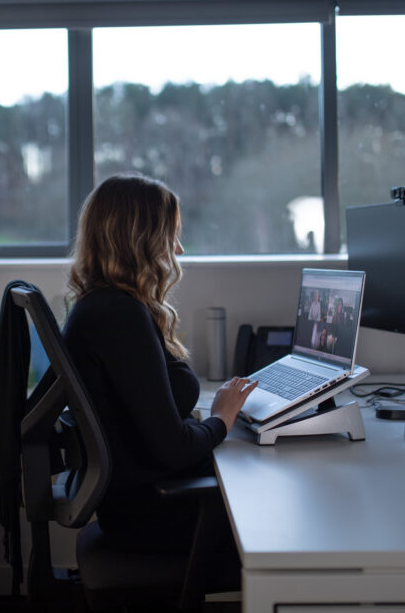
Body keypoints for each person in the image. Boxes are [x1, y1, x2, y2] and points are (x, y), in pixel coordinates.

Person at [63, 173, 258, 554]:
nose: (179, 250)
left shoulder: (103, 306)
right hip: (155, 512)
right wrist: (222, 418)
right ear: (141, 241)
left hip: (144, 497)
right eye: (171, 236)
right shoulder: (119, 316)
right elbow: (173, 448)